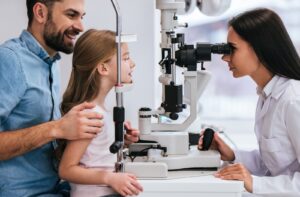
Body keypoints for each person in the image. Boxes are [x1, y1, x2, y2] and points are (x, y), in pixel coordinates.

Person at [0, 1, 138, 196]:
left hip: (57, 188)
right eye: (71, 15)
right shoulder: (10, 60)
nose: (80, 26)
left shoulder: (50, 63)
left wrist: (110, 139)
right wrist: (57, 128)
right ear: (40, 12)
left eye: (82, 17)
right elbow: (59, 136)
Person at [198, 8, 300, 196]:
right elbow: (274, 164)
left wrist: (255, 183)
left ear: (260, 48)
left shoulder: (293, 101)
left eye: (232, 49)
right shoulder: (267, 95)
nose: (225, 57)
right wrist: (233, 155)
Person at [58, 29, 143, 197]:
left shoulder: (102, 111)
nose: (132, 63)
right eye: (125, 58)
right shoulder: (91, 115)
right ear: (103, 68)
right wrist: (109, 178)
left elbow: (96, 157)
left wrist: (123, 142)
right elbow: (66, 170)